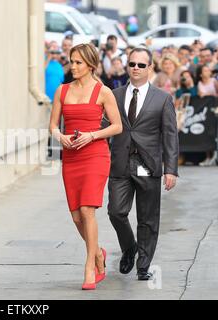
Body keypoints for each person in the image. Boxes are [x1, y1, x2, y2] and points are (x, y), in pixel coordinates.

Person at [49, 43, 122, 290]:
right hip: (71, 157)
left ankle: (89, 266)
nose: (74, 66)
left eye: (79, 62)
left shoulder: (104, 92)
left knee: (87, 209)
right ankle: (99, 254)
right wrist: (61, 137)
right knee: (76, 216)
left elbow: (117, 126)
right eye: (72, 61)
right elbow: (53, 126)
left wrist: (92, 135)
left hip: (95, 155)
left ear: (91, 64)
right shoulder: (62, 90)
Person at [108, 47, 179, 281]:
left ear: (150, 68)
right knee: (116, 212)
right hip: (120, 162)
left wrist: (171, 169)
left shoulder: (162, 98)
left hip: (148, 164)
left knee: (148, 218)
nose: (135, 68)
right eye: (132, 64)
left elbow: (170, 135)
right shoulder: (114, 95)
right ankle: (130, 248)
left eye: (141, 65)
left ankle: (143, 265)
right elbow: (103, 125)